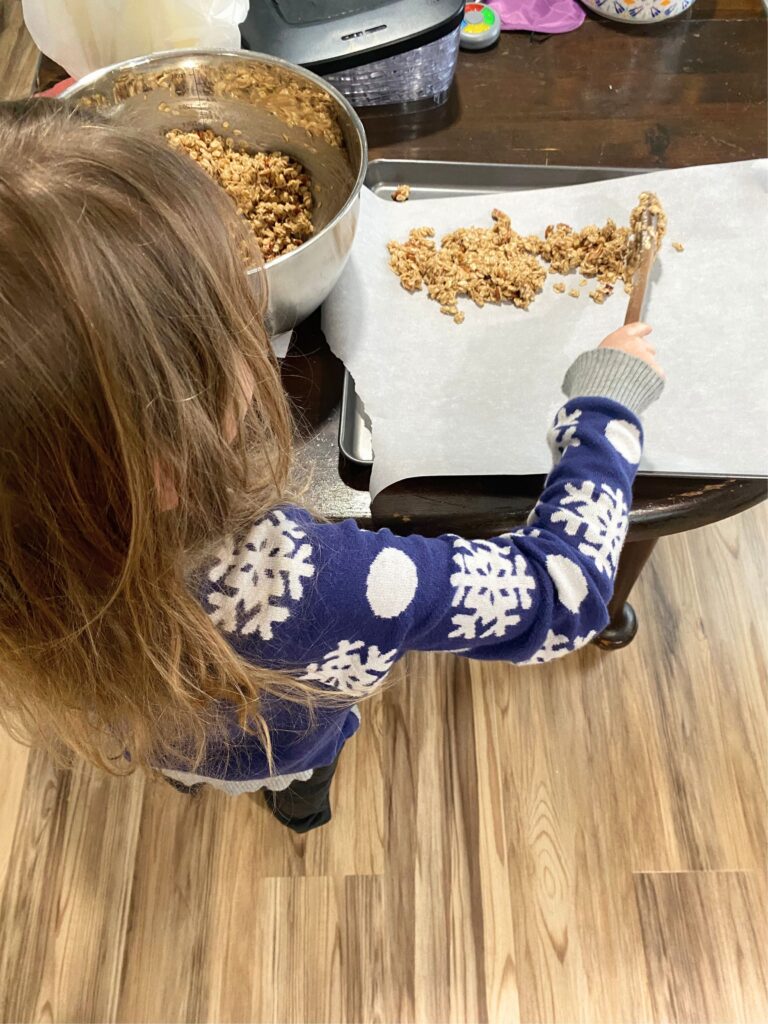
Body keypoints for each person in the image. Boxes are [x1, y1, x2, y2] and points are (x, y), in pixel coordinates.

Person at [0, 100, 664, 833]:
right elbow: (564, 596)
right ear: (164, 467)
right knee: (295, 763)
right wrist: (606, 411)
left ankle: (192, 779)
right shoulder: (315, 581)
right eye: (230, 321)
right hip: (287, 737)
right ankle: (300, 805)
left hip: (142, 727)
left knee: (178, 745)